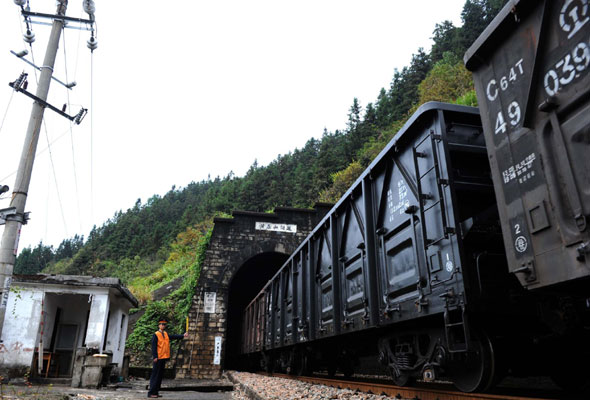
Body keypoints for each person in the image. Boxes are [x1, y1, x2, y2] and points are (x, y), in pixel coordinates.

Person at [148, 318, 188, 398]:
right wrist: (155, 356)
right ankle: (151, 392)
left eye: (164, 324)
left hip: (164, 357)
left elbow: (173, 336)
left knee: (159, 376)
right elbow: (154, 346)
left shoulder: (165, 334)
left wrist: (183, 335)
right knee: (155, 375)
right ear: (159, 325)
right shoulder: (156, 334)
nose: (163, 326)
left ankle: (156, 392)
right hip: (158, 358)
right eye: (162, 324)